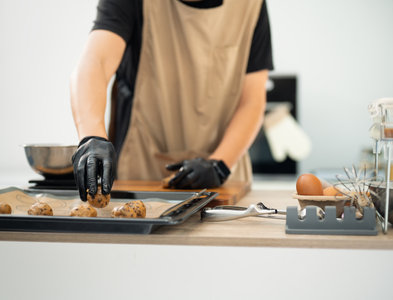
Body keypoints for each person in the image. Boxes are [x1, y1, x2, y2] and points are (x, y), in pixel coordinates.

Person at [71, 0, 274, 201]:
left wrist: (219, 165)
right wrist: (91, 137)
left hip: (224, 182)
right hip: (142, 177)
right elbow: (95, 62)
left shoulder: (251, 4)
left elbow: (252, 99)